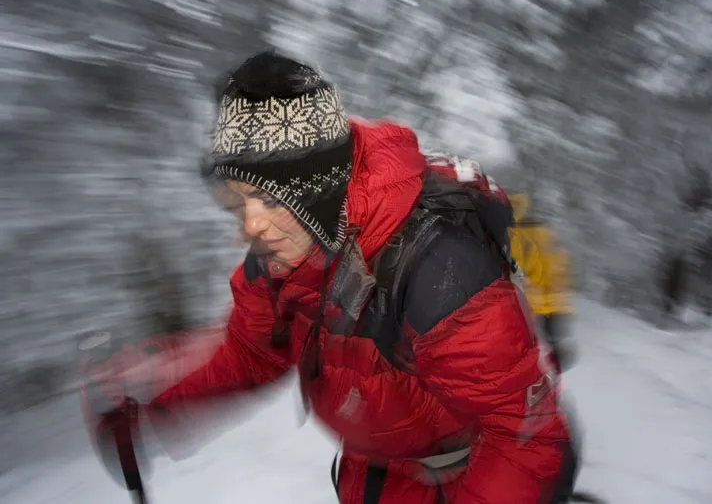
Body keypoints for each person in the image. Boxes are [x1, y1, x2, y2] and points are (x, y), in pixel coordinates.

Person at [81, 51, 578, 504]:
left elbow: (524, 436)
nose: (248, 227)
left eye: (270, 200)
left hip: (462, 478)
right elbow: (248, 353)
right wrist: (147, 394)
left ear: (316, 192)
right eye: (238, 202)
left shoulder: (437, 269)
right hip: (374, 472)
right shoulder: (279, 256)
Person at [507, 194, 577, 374]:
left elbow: (524, 272)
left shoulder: (515, 234)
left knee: (526, 358)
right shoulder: (545, 233)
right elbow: (561, 268)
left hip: (531, 307)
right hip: (556, 307)